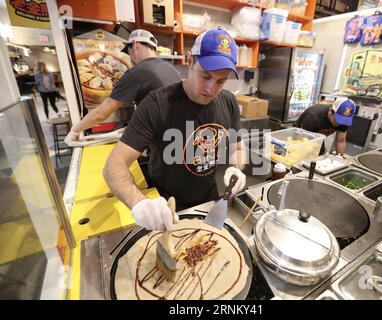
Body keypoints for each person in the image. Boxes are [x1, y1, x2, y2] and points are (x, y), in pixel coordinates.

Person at [103, 28, 247, 231]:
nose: (211, 88)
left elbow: (237, 148)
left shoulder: (229, 101)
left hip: (208, 203)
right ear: (189, 61)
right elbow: (113, 166)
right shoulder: (156, 104)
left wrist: (235, 167)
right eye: (205, 76)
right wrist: (139, 202)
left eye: (221, 81)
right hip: (164, 208)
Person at [64, 29, 181, 144]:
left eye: (129, 52)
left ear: (135, 44)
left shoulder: (137, 72)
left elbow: (102, 113)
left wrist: (75, 130)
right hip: (180, 134)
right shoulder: (171, 69)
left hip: (161, 141)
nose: (130, 57)